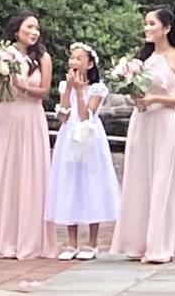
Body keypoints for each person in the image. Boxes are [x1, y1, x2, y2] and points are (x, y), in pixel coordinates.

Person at [110, 7, 175, 264]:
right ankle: (136, 242)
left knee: (161, 181)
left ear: (166, 28)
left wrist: (157, 98)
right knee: (138, 179)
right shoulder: (142, 60)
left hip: (164, 122)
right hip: (142, 121)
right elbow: (137, 91)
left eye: (152, 24)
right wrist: (135, 94)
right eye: (145, 24)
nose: (147, 28)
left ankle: (160, 245)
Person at [0, 12, 58, 259]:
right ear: (16, 31)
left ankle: (30, 238)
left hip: (32, 116)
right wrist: (0, 75)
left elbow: (44, 91)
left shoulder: (42, 57)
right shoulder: (2, 56)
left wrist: (21, 83)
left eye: (37, 28)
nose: (35, 32)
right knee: (6, 172)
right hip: (8, 116)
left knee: (31, 173)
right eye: (30, 27)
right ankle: (5, 238)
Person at [46, 42, 121, 260]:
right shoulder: (64, 86)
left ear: (89, 63)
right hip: (69, 137)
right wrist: (69, 89)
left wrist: (79, 93)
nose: (74, 62)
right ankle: (71, 243)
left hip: (89, 138)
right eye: (72, 58)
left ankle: (93, 242)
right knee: (70, 183)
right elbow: (63, 116)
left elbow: (87, 115)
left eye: (80, 58)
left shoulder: (98, 88)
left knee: (91, 183)